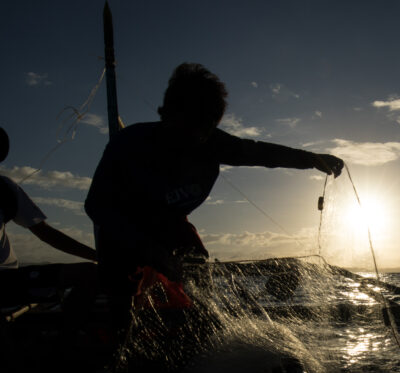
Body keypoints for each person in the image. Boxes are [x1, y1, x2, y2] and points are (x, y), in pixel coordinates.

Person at [84, 62, 344, 333]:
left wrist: (312, 160)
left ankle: (198, 330)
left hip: (171, 225)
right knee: (120, 310)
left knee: (197, 270)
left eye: (203, 129)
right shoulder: (128, 144)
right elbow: (96, 206)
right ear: (166, 115)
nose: (192, 138)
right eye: (185, 127)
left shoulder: (212, 143)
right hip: (122, 231)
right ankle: (117, 349)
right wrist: (149, 250)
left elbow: (261, 153)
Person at [0, 127, 97, 309]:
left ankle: (67, 333)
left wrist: (97, 256)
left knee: (92, 273)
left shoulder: (5, 189)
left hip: (9, 279)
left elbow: (45, 233)